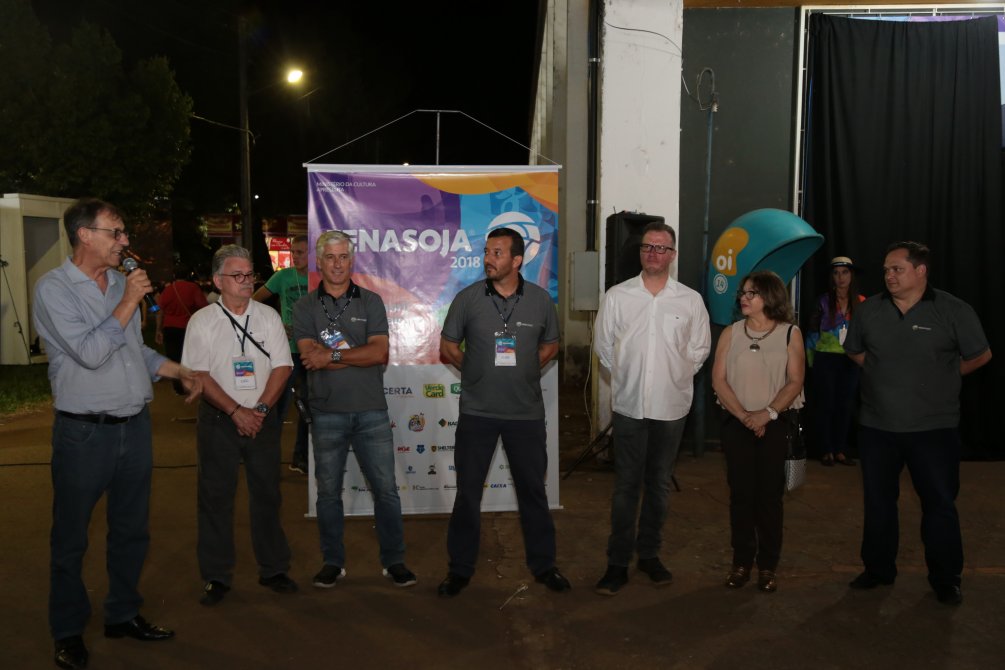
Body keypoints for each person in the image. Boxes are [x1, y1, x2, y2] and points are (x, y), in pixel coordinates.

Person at [33, 198, 199, 670]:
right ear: (85, 235)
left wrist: (176, 369)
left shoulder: (118, 285)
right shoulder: (54, 289)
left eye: (124, 232)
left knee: (131, 531)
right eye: (117, 232)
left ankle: (122, 614)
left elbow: (134, 351)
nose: (125, 242)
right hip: (84, 434)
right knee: (71, 538)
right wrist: (129, 301)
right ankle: (67, 630)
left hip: (134, 427)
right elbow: (89, 353)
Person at [844, 241, 991, 605]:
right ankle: (878, 569)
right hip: (877, 427)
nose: (889, 276)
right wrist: (885, 375)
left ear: (921, 271)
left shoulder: (953, 310)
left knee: (939, 504)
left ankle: (946, 578)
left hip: (934, 429)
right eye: (886, 270)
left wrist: (944, 376)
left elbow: (981, 355)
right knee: (878, 503)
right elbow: (855, 351)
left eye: (897, 269)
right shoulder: (869, 310)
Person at [437, 227, 570, 597]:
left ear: (517, 260)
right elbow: (447, 345)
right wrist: (474, 372)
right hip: (477, 413)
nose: (488, 259)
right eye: (486, 252)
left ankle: (544, 566)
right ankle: (459, 569)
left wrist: (525, 369)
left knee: (533, 494)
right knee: (468, 495)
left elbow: (551, 345)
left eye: (497, 253)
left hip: (525, 415)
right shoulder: (467, 299)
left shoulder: (540, 300)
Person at [293, 231, 416, 589]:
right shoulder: (304, 307)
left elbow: (378, 353)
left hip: (370, 411)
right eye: (330, 257)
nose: (337, 264)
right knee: (328, 493)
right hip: (326, 412)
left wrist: (331, 355)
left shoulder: (371, 302)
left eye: (343, 257)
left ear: (352, 261)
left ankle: (394, 561)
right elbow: (309, 357)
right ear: (319, 262)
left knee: (386, 491)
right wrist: (353, 356)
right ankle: (332, 562)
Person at [592, 222, 711, 595]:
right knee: (626, 486)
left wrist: (674, 376)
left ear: (673, 255)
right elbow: (604, 347)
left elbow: (699, 349)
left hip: (671, 408)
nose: (654, 253)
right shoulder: (618, 296)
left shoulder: (690, 300)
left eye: (662, 248)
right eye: (648, 247)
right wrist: (630, 377)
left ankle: (649, 555)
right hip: (629, 406)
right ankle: (617, 562)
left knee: (659, 485)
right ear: (640, 252)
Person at [180, 244, 296, 606]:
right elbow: (199, 375)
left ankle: (273, 569)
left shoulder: (268, 316)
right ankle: (216, 576)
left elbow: (283, 367)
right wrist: (235, 411)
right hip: (219, 421)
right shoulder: (202, 321)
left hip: (262, 418)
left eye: (250, 274)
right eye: (238, 275)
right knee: (215, 499)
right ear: (218, 281)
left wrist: (258, 409)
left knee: (268, 495)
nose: (247, 281)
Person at [711, 271, 805, 594]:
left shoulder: (791, 333)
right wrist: (744, 416)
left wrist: (767, 413)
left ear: (771, 297)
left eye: (752, 293)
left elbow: (795, 381)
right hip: (737, 424)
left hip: (775, 424)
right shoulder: (731, 333)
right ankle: (741, 563)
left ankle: (768, 566)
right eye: (743, 293)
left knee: (769, 498)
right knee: (740, 496)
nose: (744, 298)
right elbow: (718, 380)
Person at [253, 235, 310, 474]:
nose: (295, 256)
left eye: (300, 252)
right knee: (278, 406)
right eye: (293, 252)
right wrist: (274, 323)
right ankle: (268, 460)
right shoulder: (283, 277)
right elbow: (255, 300)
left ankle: (301, 458)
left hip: (313, 353)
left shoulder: (321, 278)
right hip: (287, 352)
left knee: (309, 408)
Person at [805, 256, 865, 466]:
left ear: (852, 275)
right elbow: (812, 332)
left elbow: (868, 333)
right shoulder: (823, 301)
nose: (841, 277)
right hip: (825, 358)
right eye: (836, 273)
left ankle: (840, 449)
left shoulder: (862, 302)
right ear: (832, 277)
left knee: (846, 405)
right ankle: (826, 449)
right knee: (826, 404)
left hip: (852, 359)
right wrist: (811, 361)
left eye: (845, 272)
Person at [155, 265, 208, 395]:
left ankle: (178, 388)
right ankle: (192, 385)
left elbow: (160, 312)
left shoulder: (168, 290)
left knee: (174, 358)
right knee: (190, 358)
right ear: (188, 275)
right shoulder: (193, 288)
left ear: (174, 275)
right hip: (188, 328)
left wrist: (158, 330)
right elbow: (203, 307)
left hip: (170, 329)